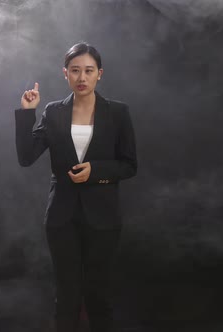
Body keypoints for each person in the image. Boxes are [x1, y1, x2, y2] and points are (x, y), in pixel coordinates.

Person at [14, 42, 137, 332]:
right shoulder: (53, 111)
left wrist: (96, 171)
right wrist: (26, 113)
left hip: (103, 217)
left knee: (98, 295)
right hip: (61, 217)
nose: (82, 77)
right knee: (67, 295)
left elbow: (129, 165)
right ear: (65, 74)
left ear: (99, 74)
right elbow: (26, 158)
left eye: (88, 71)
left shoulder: (118, 112)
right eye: (75, 70)